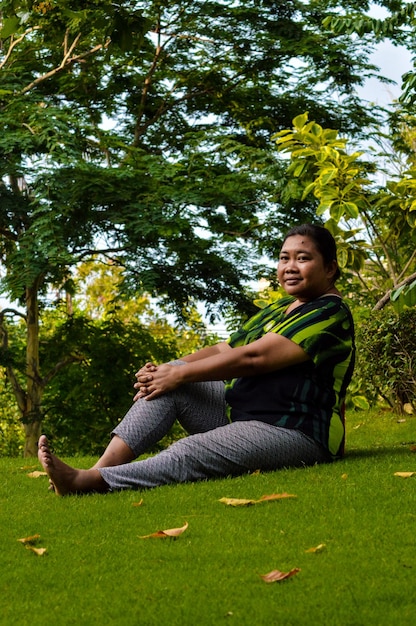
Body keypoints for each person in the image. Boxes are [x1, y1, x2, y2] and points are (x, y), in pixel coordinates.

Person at [38, 223, 355, 496]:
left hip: (295, 431)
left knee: (191, 450)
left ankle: (89, 482)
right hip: (244, 411)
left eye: (303, 258)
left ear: (329, 268)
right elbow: (225, 348)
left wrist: (180, 374)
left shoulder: (329, 313)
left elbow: (254, 357)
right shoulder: (281, 309)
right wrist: (169, 370)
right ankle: (96, 470)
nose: (290, 266)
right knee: (172, 378)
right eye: (284, 258)